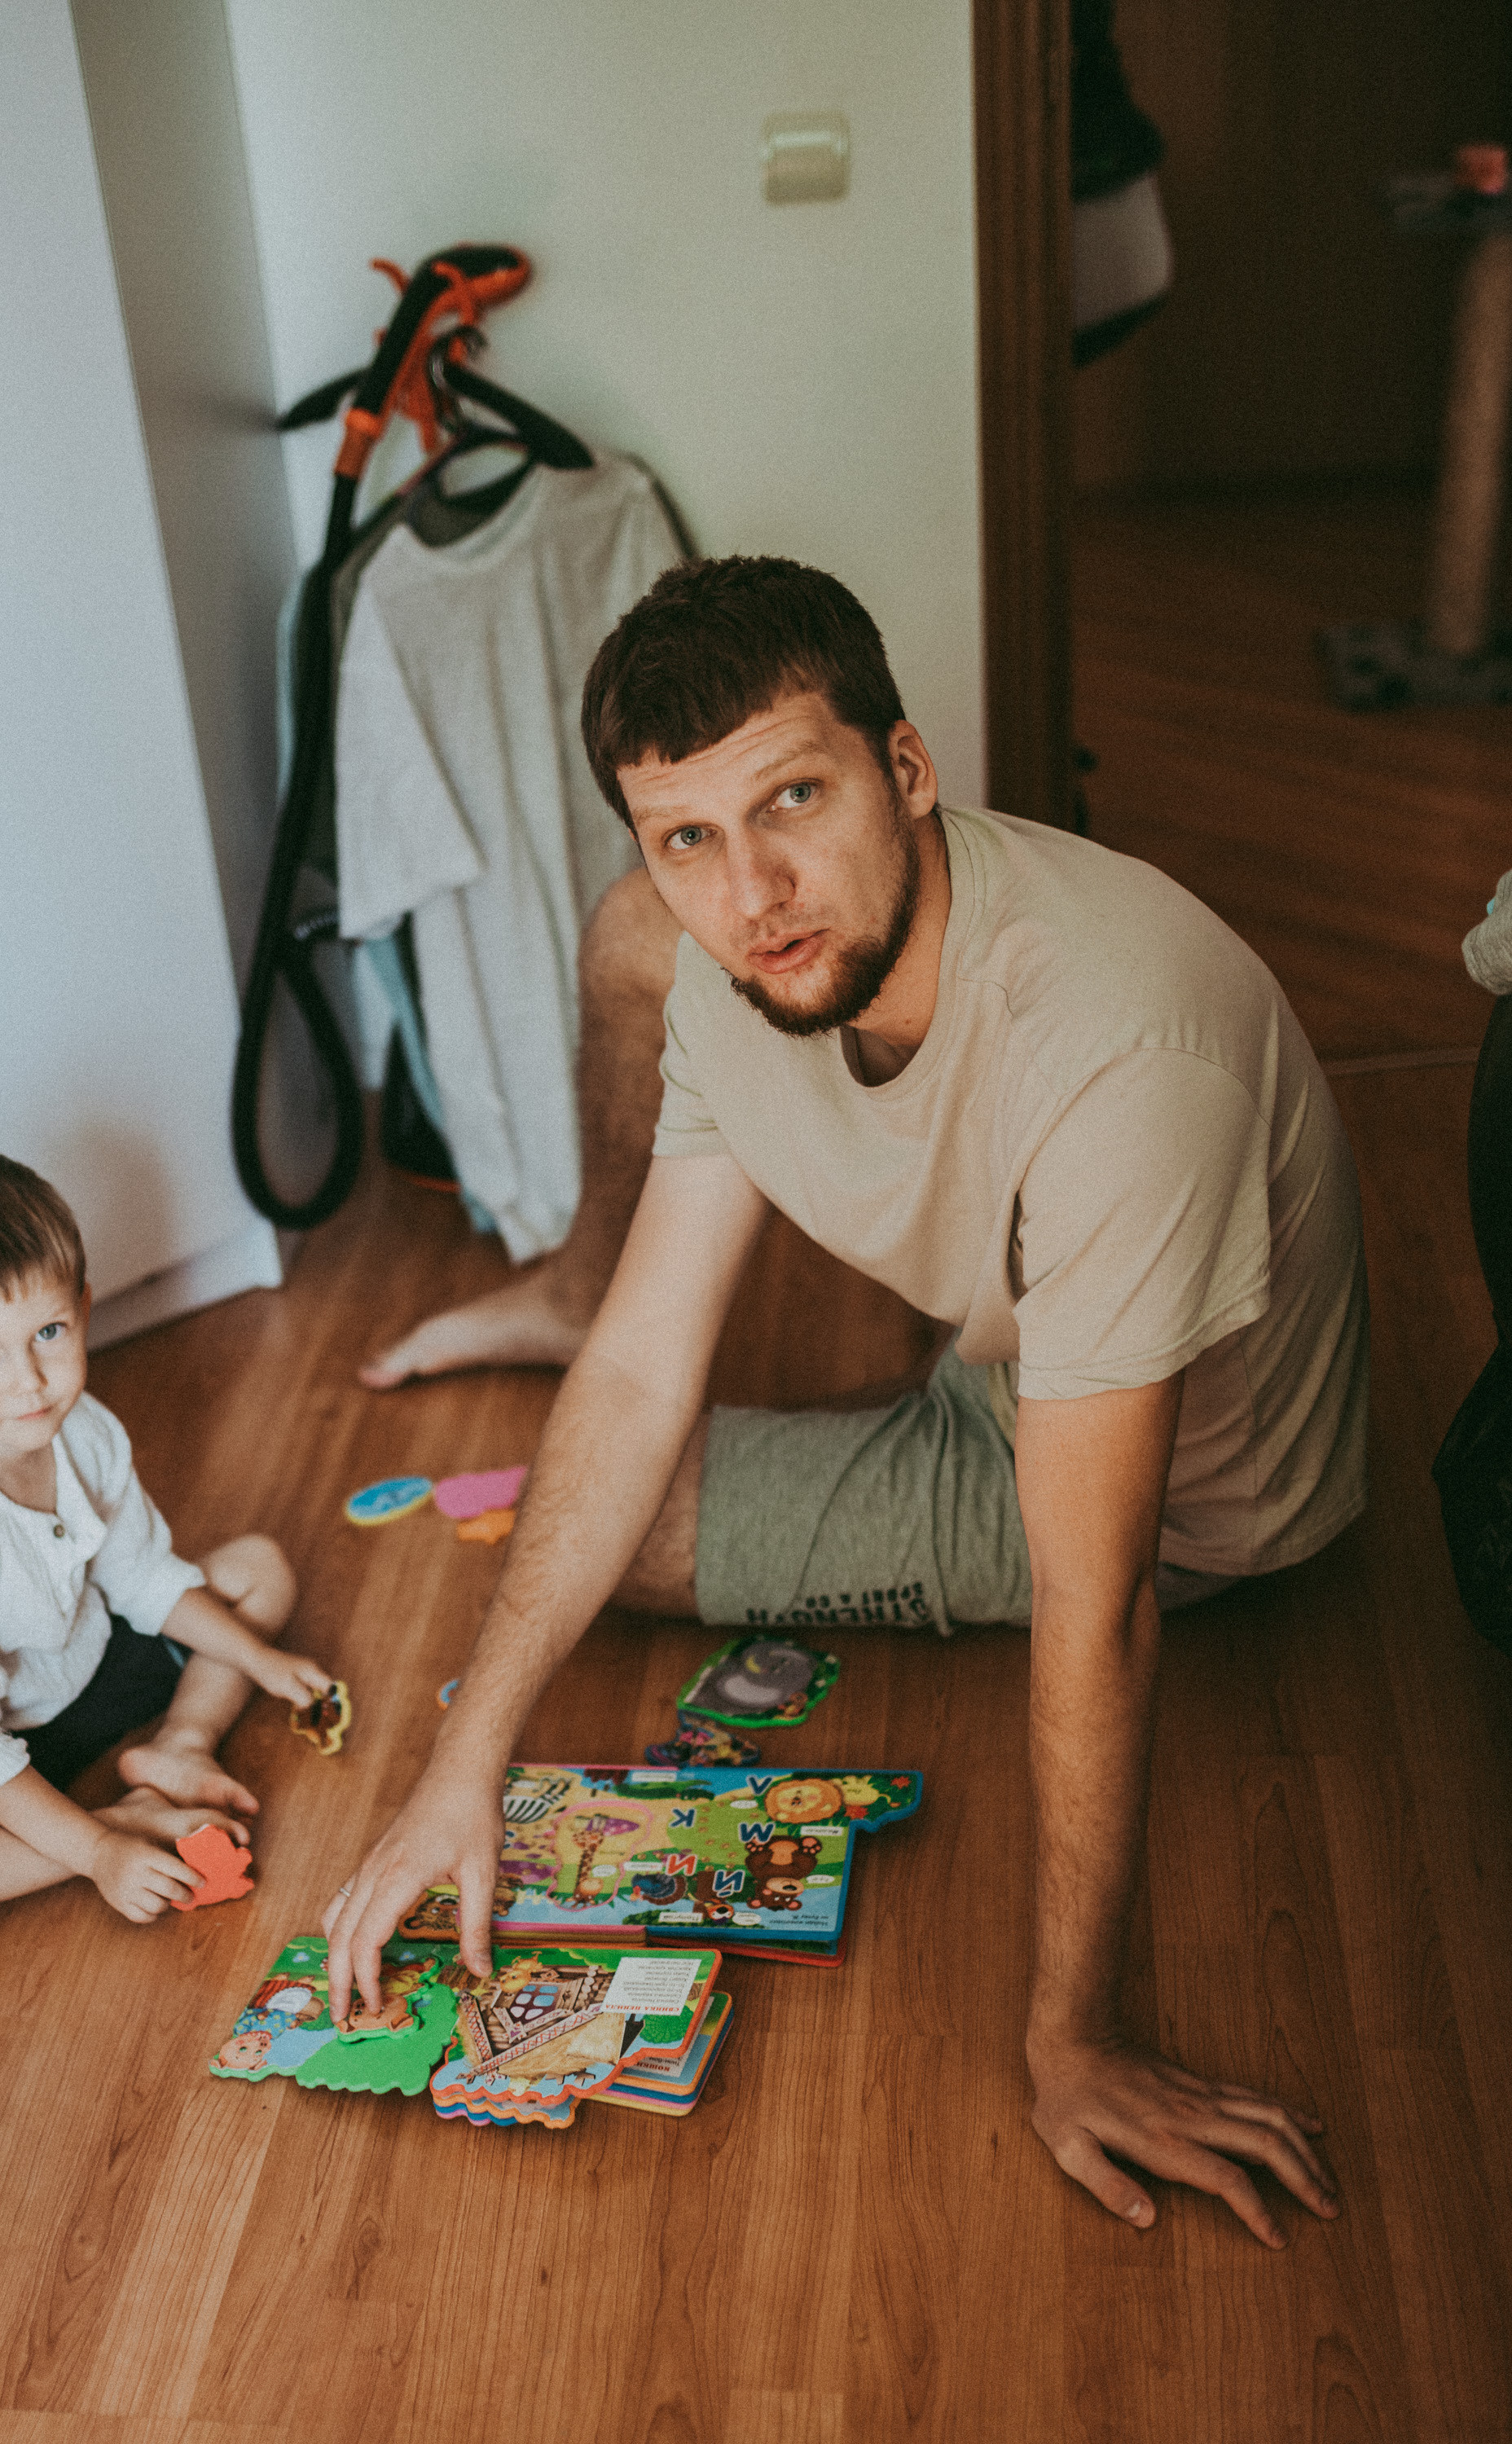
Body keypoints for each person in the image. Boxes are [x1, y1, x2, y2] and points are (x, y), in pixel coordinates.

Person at [330, 556, 1367, 2247]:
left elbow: (1095, 1608)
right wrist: (468, 1764)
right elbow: (647, 1360)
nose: (755, 890)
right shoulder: (737, 959)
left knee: (657, 1537)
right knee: (596, 1495)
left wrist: (1074, 2043)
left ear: (907, 769)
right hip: (1005, 1350)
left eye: (793, 799)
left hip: (1192, 1500)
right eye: (688, 840)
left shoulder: (1120, 1062)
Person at [0, 1148, 332, 1923]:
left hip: (86, 1668)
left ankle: (183, 1745)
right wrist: (99, 1854)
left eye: (49, 1331)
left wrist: (259, 1659)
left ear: (84, 1310)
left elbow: (144, 1579)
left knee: (260, 1567)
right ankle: (116, 1822)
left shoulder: (81, 1428)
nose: (28, 1379)